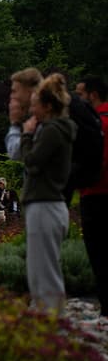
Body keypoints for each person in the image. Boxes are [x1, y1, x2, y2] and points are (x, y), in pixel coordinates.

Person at [21, 73, 77, 313]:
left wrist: (26, 135)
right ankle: (48, 316)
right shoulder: (57, 130)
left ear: (46, 106)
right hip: (48, 205)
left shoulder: (52, 131)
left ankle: (52, 319)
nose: (31, 109)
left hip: (45, 204)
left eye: (34, 104)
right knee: (40, 268)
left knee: (44, 270)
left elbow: (32, 161)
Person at [76, 76, 108, 319]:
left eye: (81, 94)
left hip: (94, 195)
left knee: (98, 255)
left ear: (93, 95)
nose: (79, 100)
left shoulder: (94, 123)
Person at [6, 67, 44, 161]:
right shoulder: (40, 117)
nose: (12, 96)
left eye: (14, 91)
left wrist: (14, 123)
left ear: (29, 91)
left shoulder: (43, 120)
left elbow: (16, 153)